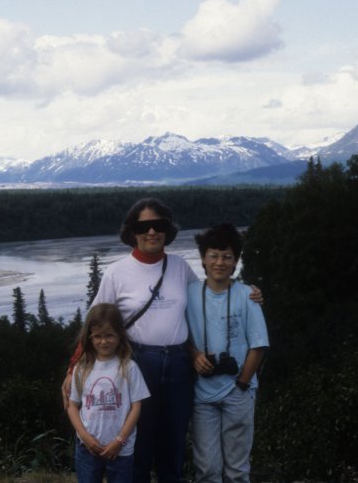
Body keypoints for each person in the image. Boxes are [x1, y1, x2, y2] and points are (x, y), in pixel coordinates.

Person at [62, 197, 262, 483]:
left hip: (180, 363)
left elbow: (211, 291)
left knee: (174, 444)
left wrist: (248, 291)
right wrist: (74, 368)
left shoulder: (179, 266)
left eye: (159, 225)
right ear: (132, 231)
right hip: (138, 363)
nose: (152, 232)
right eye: (144, 226)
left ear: (168, 230)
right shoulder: (117, 272)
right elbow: (94, 323)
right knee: (139, 444)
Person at [186, 223, 269, 483]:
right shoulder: (189, 294)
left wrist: (242, 384)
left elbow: (258, 345)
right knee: (207, 469)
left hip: (237, 393)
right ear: (202, 258)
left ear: (235, 261)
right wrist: (194, 356)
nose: (219, 262)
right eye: (213, 255)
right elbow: (179, 336)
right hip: (202, 395)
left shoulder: (247, 296)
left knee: (237, 469)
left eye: (227, 256)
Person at [67, 303, 151, 483]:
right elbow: (72, 406)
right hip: (87, 448)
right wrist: (85, 437)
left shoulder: (129, 367)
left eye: (109, 335)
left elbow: (137, 407)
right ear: (89, 337)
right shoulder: (81, 369)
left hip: (121, 449)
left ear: (120, 335)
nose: (103, 341)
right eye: (97, 336)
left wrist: (120, 440)